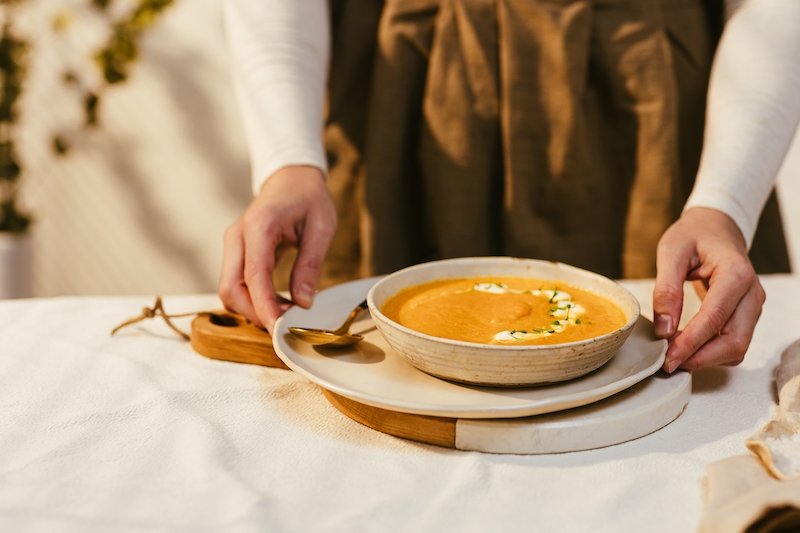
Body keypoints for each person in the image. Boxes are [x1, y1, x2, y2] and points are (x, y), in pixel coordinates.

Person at [219, 0, 800, 373]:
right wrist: (288, 160)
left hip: (648, 113)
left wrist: (723, 205)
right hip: (399, 105)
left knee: (654, 379)